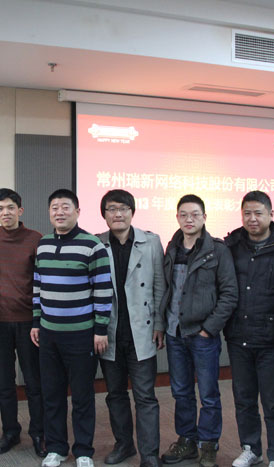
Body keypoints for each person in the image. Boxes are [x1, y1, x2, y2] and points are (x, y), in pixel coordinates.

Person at [30, 188, 113, 467]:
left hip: (81, 335)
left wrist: (100, 329)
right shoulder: (43, 244)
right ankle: (56, 448)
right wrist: (36, 322)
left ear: (77, 211)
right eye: (54, 207)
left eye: (65, 207)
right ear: (49, 213)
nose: (60, 212)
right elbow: (38, 286)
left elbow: (103, 290)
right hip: (48, 334)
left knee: (82, 397)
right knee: (52, 395)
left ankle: (84, 451)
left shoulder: (92, 245)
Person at [154, 194, 238, 467]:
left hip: (202, 335)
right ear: (177, 217)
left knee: (209, 394)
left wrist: (208, 329)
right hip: (175, 332)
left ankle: (209, 444)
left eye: (194, 214)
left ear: (204, 217)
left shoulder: (217, 250)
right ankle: (187, 440)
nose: (189, 219)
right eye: (183, 215)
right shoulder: (172, 247)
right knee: (181, 392)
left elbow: (229, 294)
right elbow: (168, 289)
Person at [223, 191, 274, 467]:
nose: (252, 219)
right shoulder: (232, 244)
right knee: (244, 399)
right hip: (238, 335)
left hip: (271, 338)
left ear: (271, 214)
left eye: (258, 213)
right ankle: (251, 448)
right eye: (247, 213)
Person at [96, 189, 165, 467]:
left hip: (142, 332)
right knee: (115, 395)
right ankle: (124, 445)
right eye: (112, 209)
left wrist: (159, 323)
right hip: (110, 333)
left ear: (132, 212)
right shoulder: (97, 243)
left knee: (145, 397)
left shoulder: (151, 242)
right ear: (104, 215)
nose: (118, 214)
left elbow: (159, 285)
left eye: (123, 208)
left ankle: (149, 455)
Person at [0, 188, 47, 457]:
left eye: (10, 207)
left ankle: (39, 433)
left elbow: (44, 282)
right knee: (4, 383)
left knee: (34, 382)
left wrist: (39, 321)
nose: (5, 212)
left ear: (20, 210)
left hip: (28, 323)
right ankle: (10, 431)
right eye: (0, 208)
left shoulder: (35, 239)